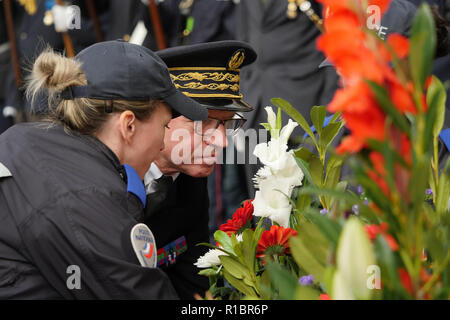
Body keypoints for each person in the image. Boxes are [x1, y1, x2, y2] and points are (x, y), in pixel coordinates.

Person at [0, 39, 207, 299]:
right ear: (128, 125)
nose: (163, 142)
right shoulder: (87, 199)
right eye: (165, 126)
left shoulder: (26, 140)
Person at [143, 40, 257, 299]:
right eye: (203, 122)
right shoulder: (109, 178)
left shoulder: (188, 176)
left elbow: (193, 281)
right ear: (157, 115)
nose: (222, 141)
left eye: (226, 124)